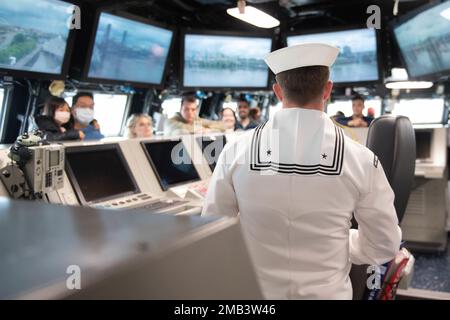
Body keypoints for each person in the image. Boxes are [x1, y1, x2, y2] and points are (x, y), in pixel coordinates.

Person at [202, 43, 401, 299]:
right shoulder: (362, 160)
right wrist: (341, 243)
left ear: (277, 91)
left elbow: (213, 232)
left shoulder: (234, 151)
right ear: (327, 89)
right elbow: (384, 245)